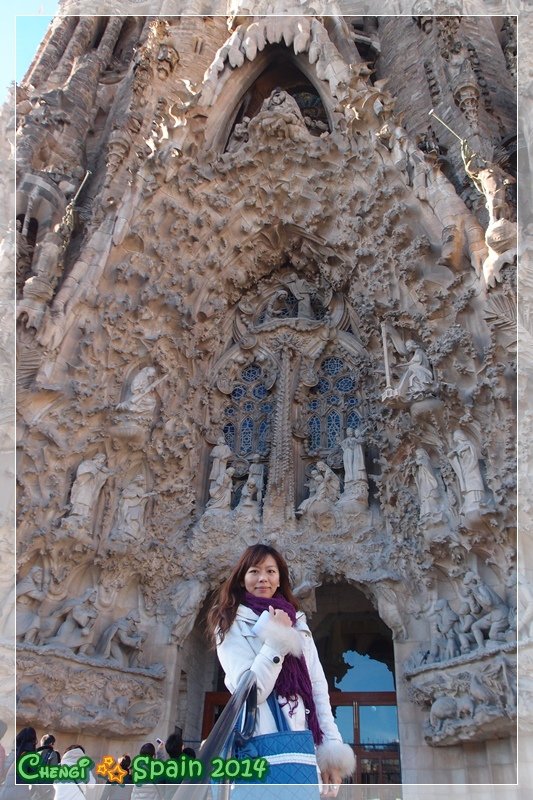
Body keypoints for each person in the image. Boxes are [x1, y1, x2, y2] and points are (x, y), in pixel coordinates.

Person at [207, 544, 355, 796]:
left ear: (279, 579)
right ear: (242, 579)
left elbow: (318, 691)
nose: (263, 578)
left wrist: (330, 749)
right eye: (254, 571)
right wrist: (277, 639)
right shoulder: (230, 625)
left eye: (270, 571)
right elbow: (251, 691)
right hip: (259, 746)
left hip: (301, 750)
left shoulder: (297, 623)